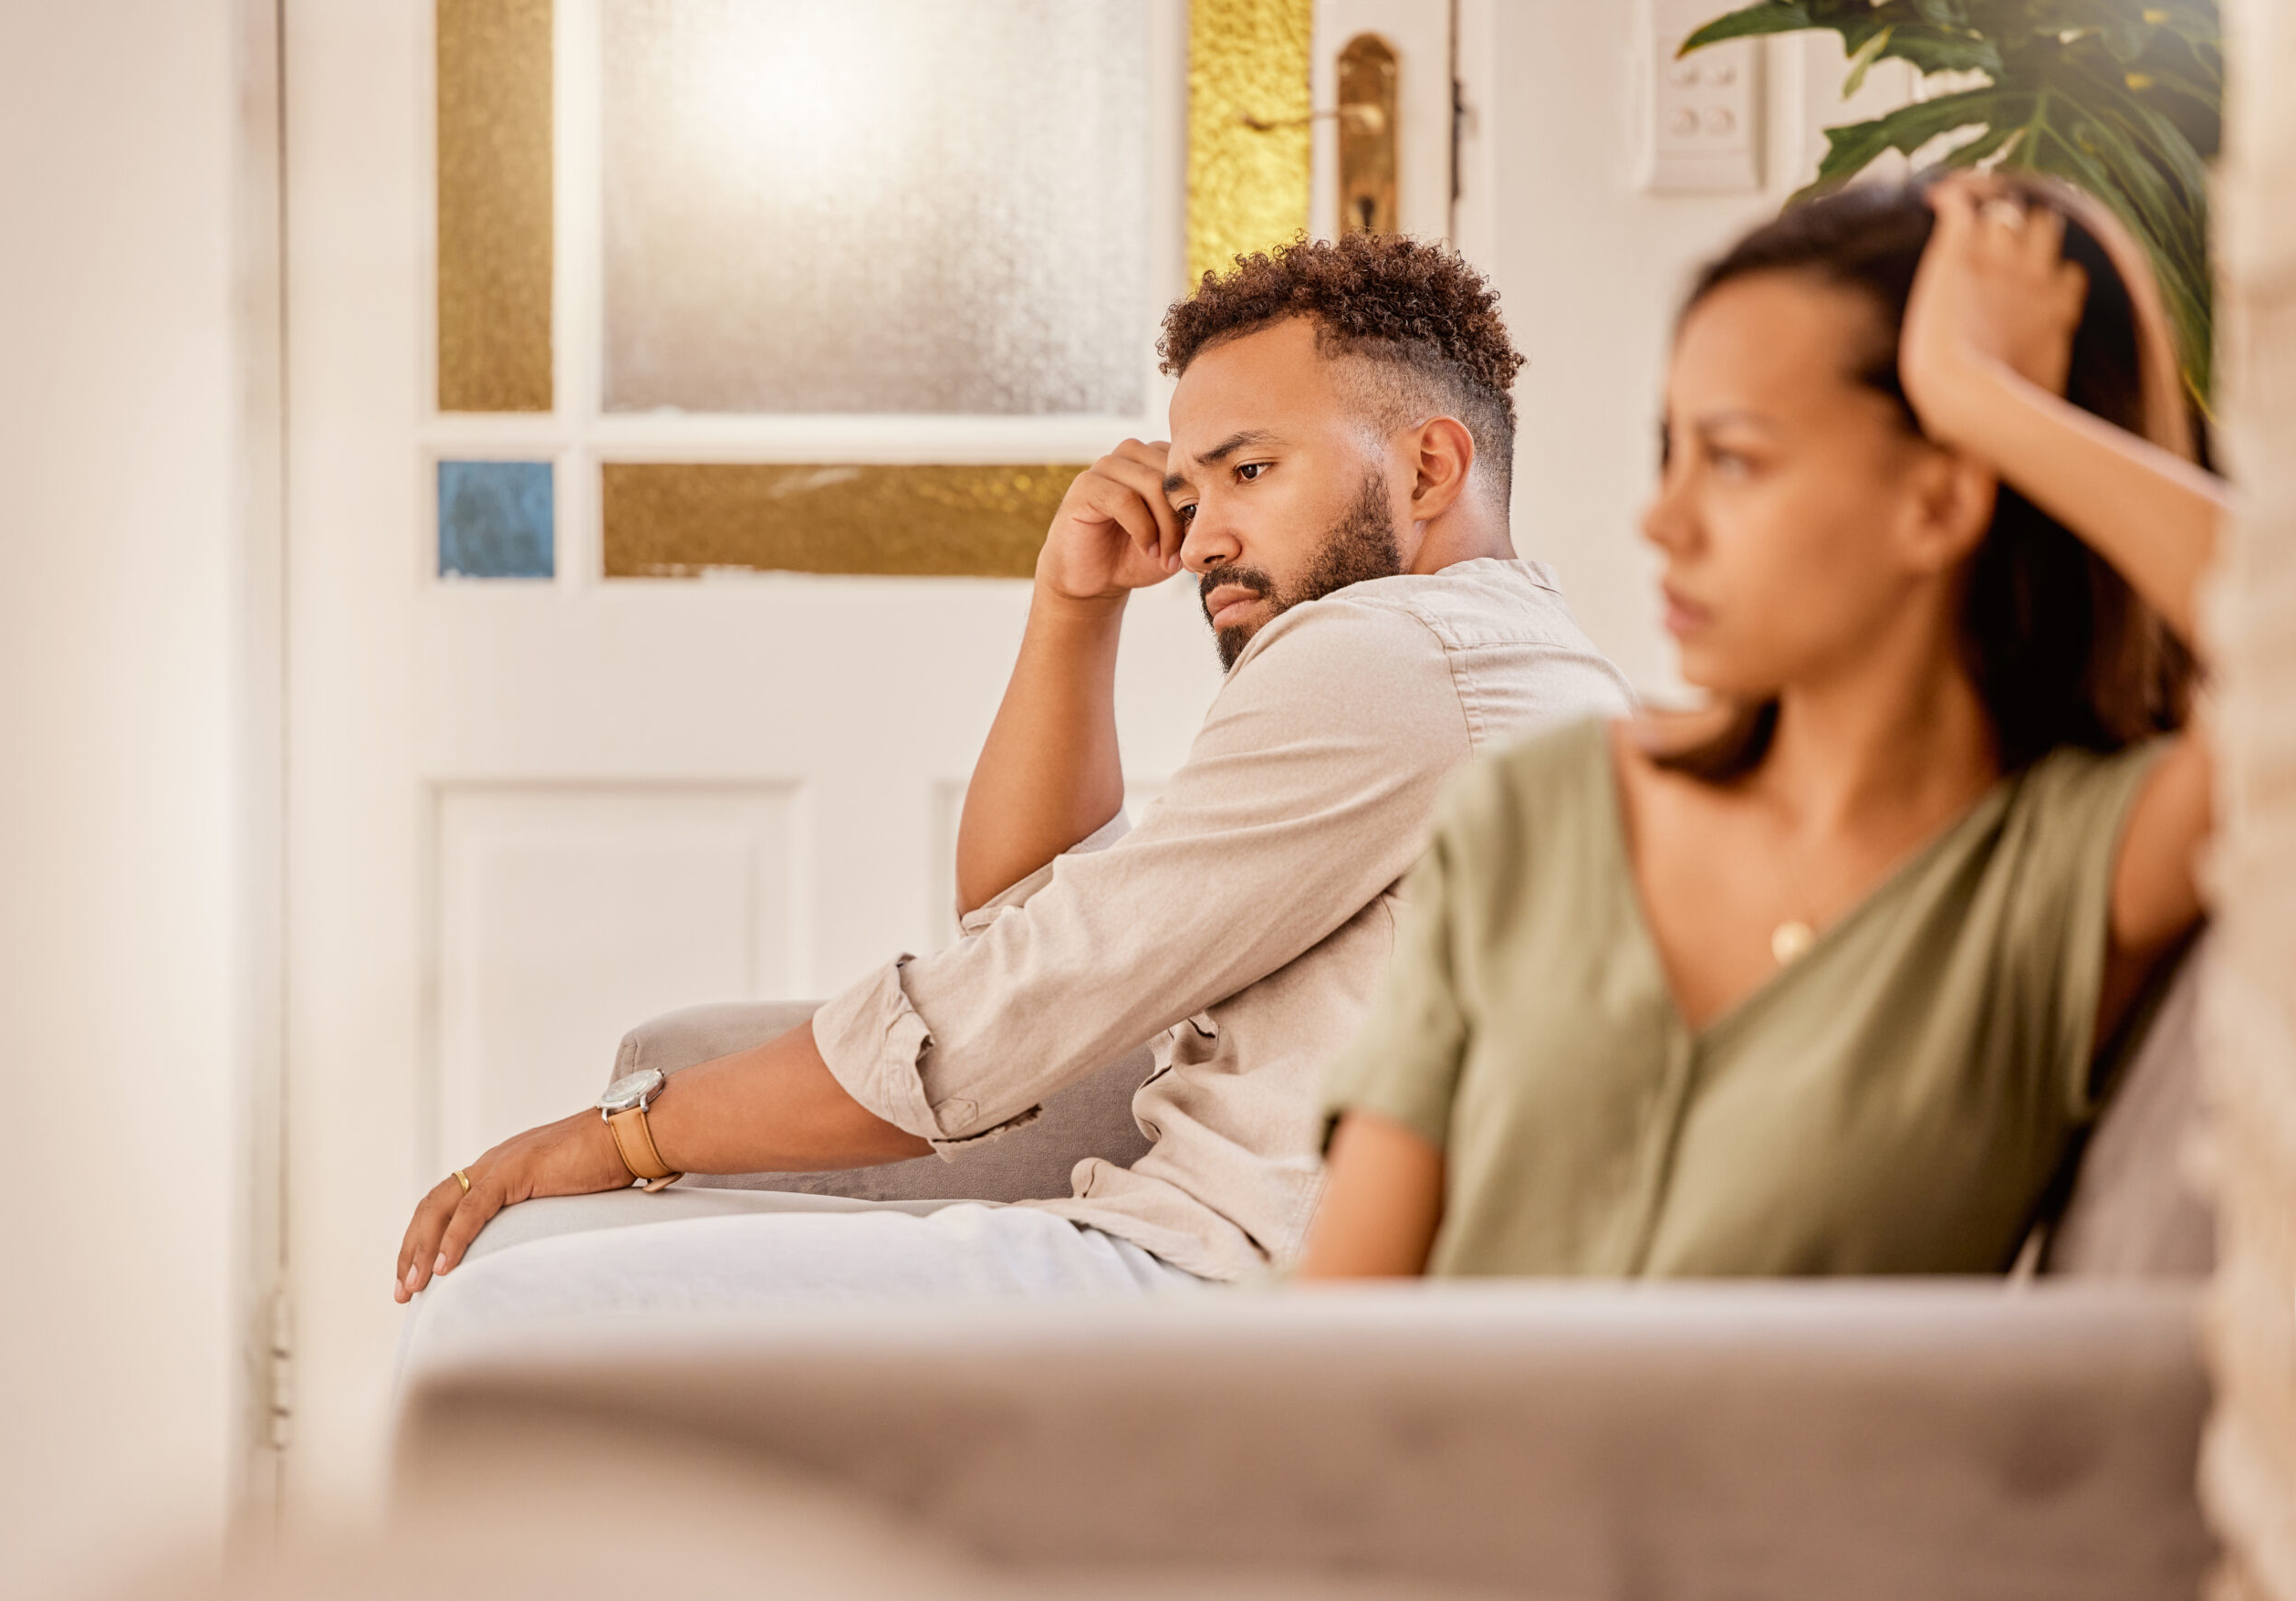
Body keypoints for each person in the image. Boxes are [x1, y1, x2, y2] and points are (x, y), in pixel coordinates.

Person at [393, 235, 1632, 1327]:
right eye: (1190, 489)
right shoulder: (1481, 655)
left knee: (495, 1310)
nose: (1199, 537)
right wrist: (1073, 606)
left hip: (1225, 1293)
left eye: (1250, 473)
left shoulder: (1386, 659)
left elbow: (999, 1016)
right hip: (1194, 1242)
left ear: (1427, 470)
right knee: (533, 1255)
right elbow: (1029, 919)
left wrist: (622, 1137)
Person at [1301, 175, 2224, 1279]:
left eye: (1732, 457)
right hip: (1384, 1447)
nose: (1662, 518)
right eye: (1669, 451)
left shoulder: (2061, 877)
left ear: (1937, 502)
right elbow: (1336, 1323)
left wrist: (1983, 402)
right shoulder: (1534, 810)